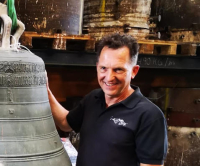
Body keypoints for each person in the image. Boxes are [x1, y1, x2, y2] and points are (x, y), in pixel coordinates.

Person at [47, 33, 167, 166]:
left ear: (134, 71)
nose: (109, 77)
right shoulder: (93, 99)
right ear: (97, 67)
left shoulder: (149, 116)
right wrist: (45, 92)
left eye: (118, 70)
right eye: (104, 68)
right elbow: (65, 123)